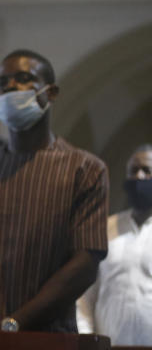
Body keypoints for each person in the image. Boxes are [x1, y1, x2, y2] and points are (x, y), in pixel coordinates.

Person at [0, 49, 108, 332]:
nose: (11, 86)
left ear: (50, 93)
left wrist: (13, 326)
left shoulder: (85, 170)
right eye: (3, 83)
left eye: (24, 79)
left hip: (48, 340)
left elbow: (85, 262)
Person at [76, 144, 152, 344]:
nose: (140, 177)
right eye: (133, 171)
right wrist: (87, 338)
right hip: (109, 345)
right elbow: (84, 294)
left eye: (147, 170)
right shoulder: (105, 229)